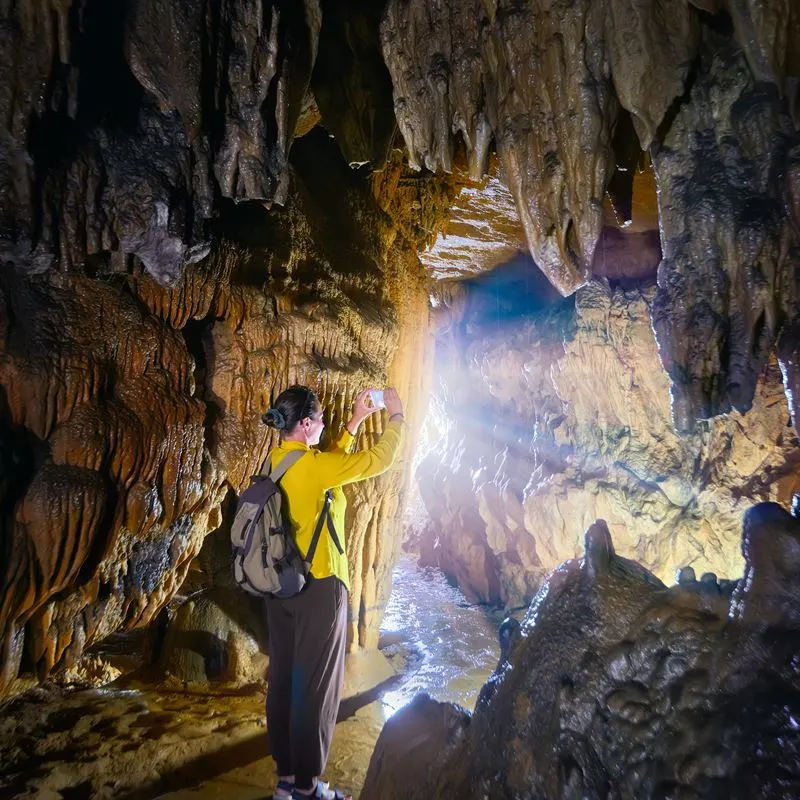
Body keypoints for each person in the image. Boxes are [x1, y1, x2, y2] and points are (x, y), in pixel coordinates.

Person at [261, 384, 406, 800]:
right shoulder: (315, 467)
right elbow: (379, 460)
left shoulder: (277, 462)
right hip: (320, 588)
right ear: (305, 425)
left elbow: (329, 468)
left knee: (284, 681)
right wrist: (395, 418)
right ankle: (309, 787)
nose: (325, 424)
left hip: (280, 587)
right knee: (317, 689)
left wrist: (355, 422)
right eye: (321, 419)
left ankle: (286, 783)